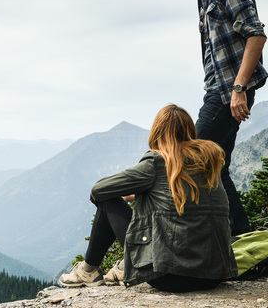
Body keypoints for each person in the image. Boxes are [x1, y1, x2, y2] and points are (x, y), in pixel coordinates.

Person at [58, 104, 239, 292]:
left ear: (157, 131)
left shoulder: (157, 162)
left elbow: (98, 190)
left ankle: (88, 271)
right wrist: (141, 192)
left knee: (107, 200)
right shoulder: (209, 161)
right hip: (214, 275)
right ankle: (119, 267)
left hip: (168, 276)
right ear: (190, 130)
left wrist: (139, 191)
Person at [166, 0, 268, 237]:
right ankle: (239, 238)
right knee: (216, 167)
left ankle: (199, 238)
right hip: (218, 90)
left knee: (191, 157)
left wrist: (239, 89)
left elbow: (256, 35)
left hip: (229, 93)